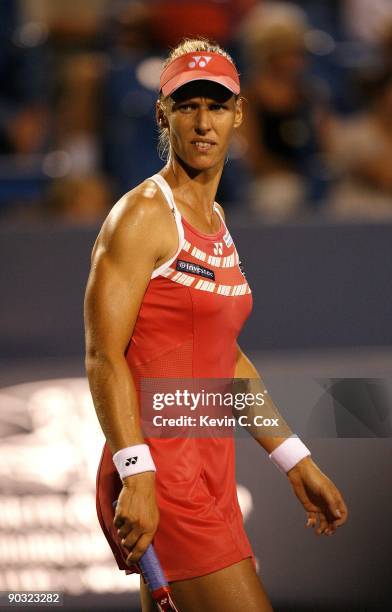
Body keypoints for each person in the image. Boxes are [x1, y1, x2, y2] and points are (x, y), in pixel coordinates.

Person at [84, 38, 348, 612]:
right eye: (187, 106)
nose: (203, 123)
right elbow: (103, 356)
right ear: (164, 114)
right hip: (161, 468)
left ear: (239, 114)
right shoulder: (143, 215)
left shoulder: (217, 220)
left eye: (217, 106)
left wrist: (293, 459)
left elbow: (225, 357)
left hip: (208, 467)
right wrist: (137, 472)